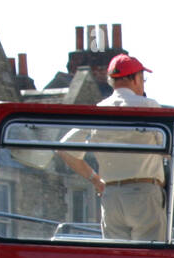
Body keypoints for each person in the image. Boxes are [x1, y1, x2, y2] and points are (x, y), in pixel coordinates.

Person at [59, 54, 165, 241]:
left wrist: (95, 179)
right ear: (135, 79)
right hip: (144, 193)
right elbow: (168, 149)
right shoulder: (149, 107)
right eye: (143, 78)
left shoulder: (99, 111)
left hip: (111, 196)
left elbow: (64, 148)